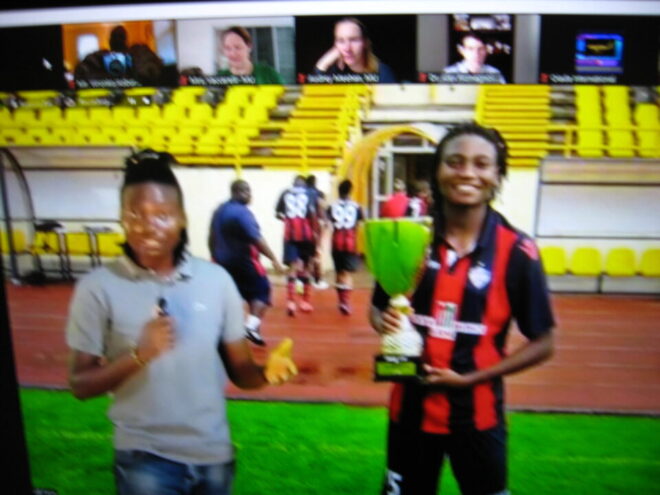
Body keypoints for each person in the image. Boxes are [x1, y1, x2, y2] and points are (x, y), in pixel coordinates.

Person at [66, 150, 297, 495]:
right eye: (135, 214)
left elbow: (240, 372)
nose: (148, 226)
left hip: (214, 457)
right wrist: (140, 355)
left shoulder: (217, 281)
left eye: (162, 214)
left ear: (182, 219)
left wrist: (266, 373)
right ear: (122, 218)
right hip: (144, 460)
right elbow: (80, 384)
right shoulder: (96, 287)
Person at [370, 123, 555, 495]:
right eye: (454, 162)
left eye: (481, 164)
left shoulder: (518, 251)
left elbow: (544, 341)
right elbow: (377, 309)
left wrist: (472, 379)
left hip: (479, 418)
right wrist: (386, 323)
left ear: (497, 175)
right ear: (437, 171)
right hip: (409, 414)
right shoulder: (410, 236)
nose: (467, 173)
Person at [209, 179, 284, 346]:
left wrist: (214, 256)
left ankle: (247, 331)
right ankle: (250, 327)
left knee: (235, 296)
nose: (250, 195)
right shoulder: (242, 213)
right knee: (262, 290)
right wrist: (273, 259)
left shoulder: (219, 210)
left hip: (222, 262)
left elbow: (211, 236)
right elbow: (256, 239)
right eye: (247, 191)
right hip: (243, 262)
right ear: (238, 192)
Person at [276, 175, 317, 316]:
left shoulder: (284, 193)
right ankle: (305, 301)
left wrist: (287, 220)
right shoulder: (310, 193)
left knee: (292, 267)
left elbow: (278, 213)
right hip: (306, 235)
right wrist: (316, 234)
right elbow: (313, 213)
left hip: (290, 234)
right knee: (307, 267)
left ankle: (291, 302)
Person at [314, 17, 396, 83]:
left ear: (365, 43)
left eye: (353, 40)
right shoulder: (332, 72)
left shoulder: (382, 72)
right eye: (341, 41)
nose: (347, 48)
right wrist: (322, 64)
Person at [327, 179, 364, 315]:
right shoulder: (357, 207)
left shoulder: (332, 206)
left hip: (336, 243)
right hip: (350, 243)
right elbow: (361, 223)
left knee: (339, 272)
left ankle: (341, 300)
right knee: (347, 273)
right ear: (350, 191)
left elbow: (327, 224)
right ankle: (346, 302)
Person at [216, 26, 283, 84]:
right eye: (227, 48)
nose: (233, 53)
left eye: (238, 47)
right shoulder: (219, 78)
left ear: (249, 46)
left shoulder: (269, 75)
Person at [306, 174, 329, 290]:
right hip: (316, 226)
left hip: (304, 227)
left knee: (306, 254)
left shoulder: (303, 194)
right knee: (317, 253)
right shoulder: (319, 194)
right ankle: (318, 279)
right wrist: (326, 222)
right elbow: (322, 209)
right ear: (315, 182)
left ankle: (306, 279)